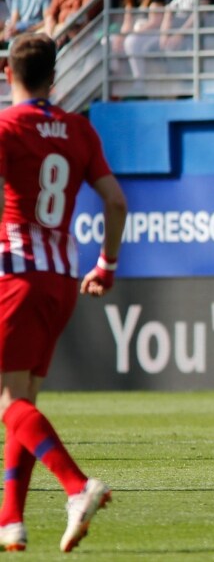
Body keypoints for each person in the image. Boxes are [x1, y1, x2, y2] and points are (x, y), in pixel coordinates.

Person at [0, 33, 127, 551]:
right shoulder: (79, 130)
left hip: (16, 275)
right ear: (56, 77)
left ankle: (78, 486)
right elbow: (115, 203)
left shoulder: (7, 127)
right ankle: (11, 522)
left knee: (8, 403)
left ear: (9, 73)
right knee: (24, 401)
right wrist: (107, 265)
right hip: (61, 280)